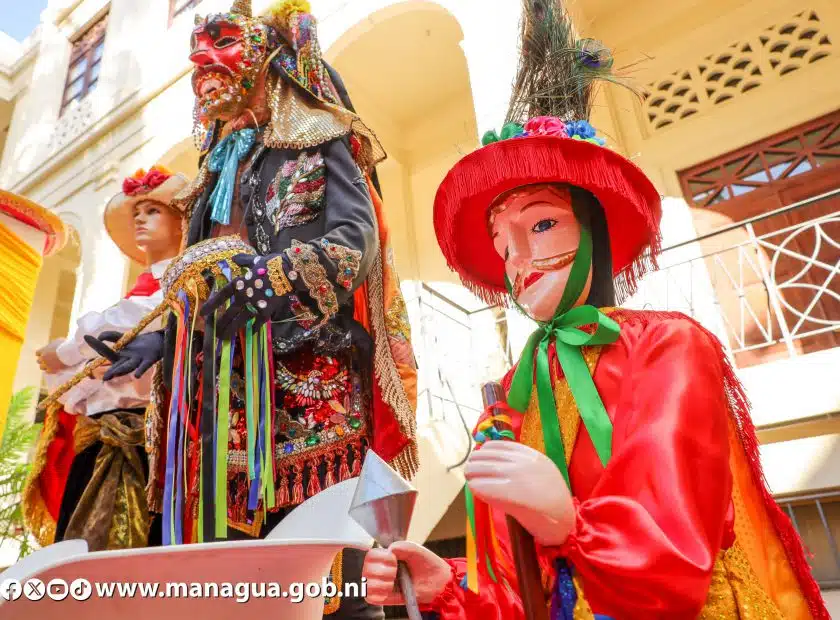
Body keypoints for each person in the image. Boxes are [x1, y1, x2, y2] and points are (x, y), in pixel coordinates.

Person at [361, 2, 829, 619]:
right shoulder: (510, 397)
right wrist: (444, 583)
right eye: (503, 245)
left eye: (542, 225)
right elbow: (516, 587)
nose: (518, 259)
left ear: (595, 229)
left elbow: (676, 559)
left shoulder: (667, 346)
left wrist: (566, 519)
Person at [88, 2, 417, 617]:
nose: (200, 57)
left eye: (222, 40)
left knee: (340, 589)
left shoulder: (318, 138)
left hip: (312, 403)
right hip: (221, 412)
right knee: (238, 590)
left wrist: (265, 287)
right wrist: (164, 341)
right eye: (197, 45)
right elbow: (203, 286)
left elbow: (354, 242)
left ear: (267, 55)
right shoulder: (214, 175)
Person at [24, 167, 188, 551]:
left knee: (117, 553)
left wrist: (66, 352)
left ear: (181, 223)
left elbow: (124, 331)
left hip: (137, 441)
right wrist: (80, 364)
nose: (140, 220)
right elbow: (89, 382)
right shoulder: (140, 293)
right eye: (137, 213)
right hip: (100, 439)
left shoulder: (177, 285)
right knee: (81, 550)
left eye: (153, 211)